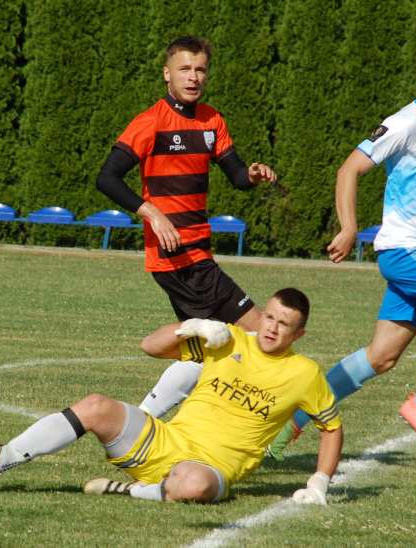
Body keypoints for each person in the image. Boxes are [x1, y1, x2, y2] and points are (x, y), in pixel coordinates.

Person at [268, 40, 416, 459]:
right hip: (405, 251)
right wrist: (349, 228)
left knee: (381, 358)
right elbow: (350, 169)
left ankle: (295, 419)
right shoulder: (403, 124)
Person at [0, 288, 343, 504]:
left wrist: (319, 482)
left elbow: (331, 427)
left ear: (299, 334)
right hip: (164, 441)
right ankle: (2, 459)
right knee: (96, 405)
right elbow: (150, 346)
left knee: (193, 485)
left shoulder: (305, 373)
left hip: (211, 468)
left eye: (284, 324)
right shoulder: (227, 340)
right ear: (262, 315)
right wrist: (192, 326)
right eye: (270, 317)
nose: (273, 328)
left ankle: (134, 491)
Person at [95, 36, 277, 418]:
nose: (193, 77)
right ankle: (269, 424)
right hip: (179, 258)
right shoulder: (150, 123)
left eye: (200, 70)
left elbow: (236, 175)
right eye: (184, 69)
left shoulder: (212, 120)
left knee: (205, 352)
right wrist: (153, 214)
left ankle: (142, 424)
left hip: (198, 253)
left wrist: (252, 174)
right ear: (167, 74)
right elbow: (107, 178)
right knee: (259, 335)